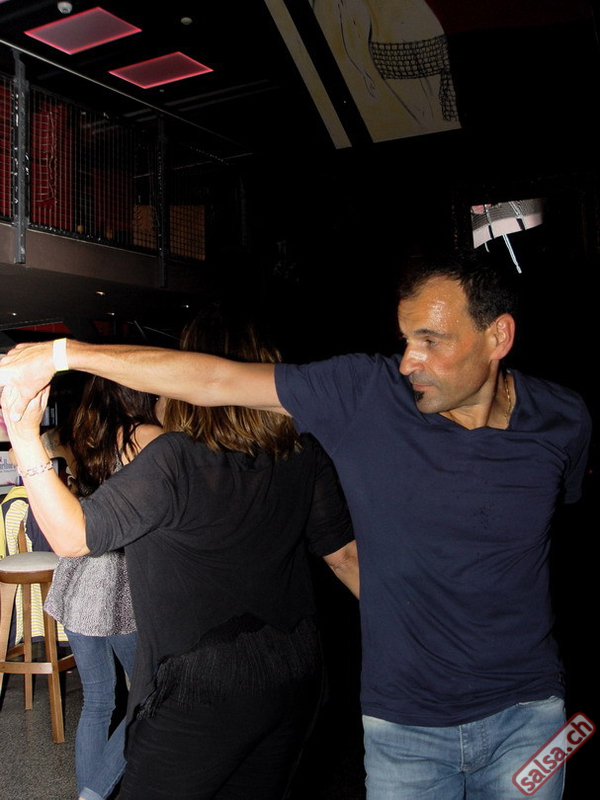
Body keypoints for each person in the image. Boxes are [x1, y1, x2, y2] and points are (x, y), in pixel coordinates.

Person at [0, 250, 590, 798]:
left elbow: (532, 540)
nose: (410, 360)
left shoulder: (565, 419)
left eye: (430, 341)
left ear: (498, 336)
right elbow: (217, 380)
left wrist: (28, 436)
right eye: (406, 339)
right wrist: (63, 354)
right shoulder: (367, 394)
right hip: (404, 726)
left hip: (534, 715)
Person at [1, 312, 358, 800]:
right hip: (296, 669)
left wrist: (23, 436)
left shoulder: (176, 457)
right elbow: (344, 557)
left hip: (201, 683)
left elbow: (73, 537)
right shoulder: (301, 453)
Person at [40, 377, 162, 800]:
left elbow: (34, 454)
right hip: (119, 584)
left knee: (97, 701)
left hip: (77, 576)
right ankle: (95, 791)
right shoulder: (145, 439)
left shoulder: (77, 434)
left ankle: (86, 794)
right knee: (147, 695)